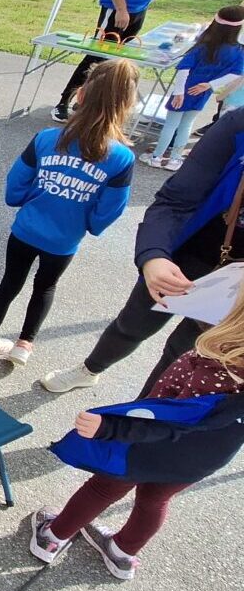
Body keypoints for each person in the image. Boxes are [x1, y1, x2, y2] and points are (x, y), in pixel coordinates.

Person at [29, 286, 244, 580]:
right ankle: (122, 552)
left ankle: (52, 536)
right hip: (200, 460)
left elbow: (172, 420)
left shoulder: (215, 369)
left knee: (104, 488)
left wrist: (111, 427)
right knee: (155, 501)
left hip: (148, 447)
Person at [40, 107, 244, 396]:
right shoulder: (238, 126)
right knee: (131, 325)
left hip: (238, 286)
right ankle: (90, 369)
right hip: (189, 255)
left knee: (190, 355)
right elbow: (175, 200)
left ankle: (140, 416)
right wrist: (154, 255)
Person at [0, 61, 137, 367]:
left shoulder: (47, 138)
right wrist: (88, 223)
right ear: (125, 105)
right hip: (64, 238)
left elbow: (16, 183)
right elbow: (111, 209)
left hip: (26, 228)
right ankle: (24, 344)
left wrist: (25, 201)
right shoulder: (121, 157)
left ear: (82, 95)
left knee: (10, 282)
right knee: (45, 286)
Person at [52, 0, 171, 123]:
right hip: (116, 8)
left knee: (116, 60)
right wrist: (121, 9)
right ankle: (63, 102)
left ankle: (89, 103)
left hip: (139, 8)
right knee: (96, 58)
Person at [142, 5, 244, 171]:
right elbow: (236, 74)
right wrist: (210, 85)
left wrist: (179, 92)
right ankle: (175, 159)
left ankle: (156, 156)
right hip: (203, 92)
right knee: (187, 124)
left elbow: (184, 68)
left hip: (185, 89)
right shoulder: (238, 51)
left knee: (171, 124)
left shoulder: (204, 45)